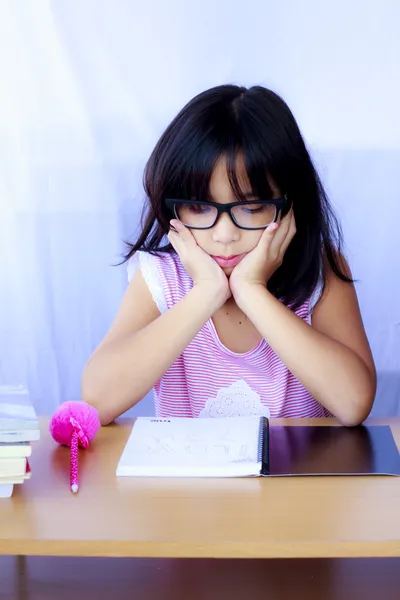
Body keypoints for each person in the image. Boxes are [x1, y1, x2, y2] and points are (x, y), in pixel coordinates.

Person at [82, 84, 376, 426]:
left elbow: (353, 403)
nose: (224, 235)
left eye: (251, 208)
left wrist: (252, 290)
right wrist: (206, 292)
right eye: (197, 206)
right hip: (188, 481)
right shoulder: (161, 278)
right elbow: (98, 399)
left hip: (295, 482)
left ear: (290, 206)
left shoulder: (320, 273)